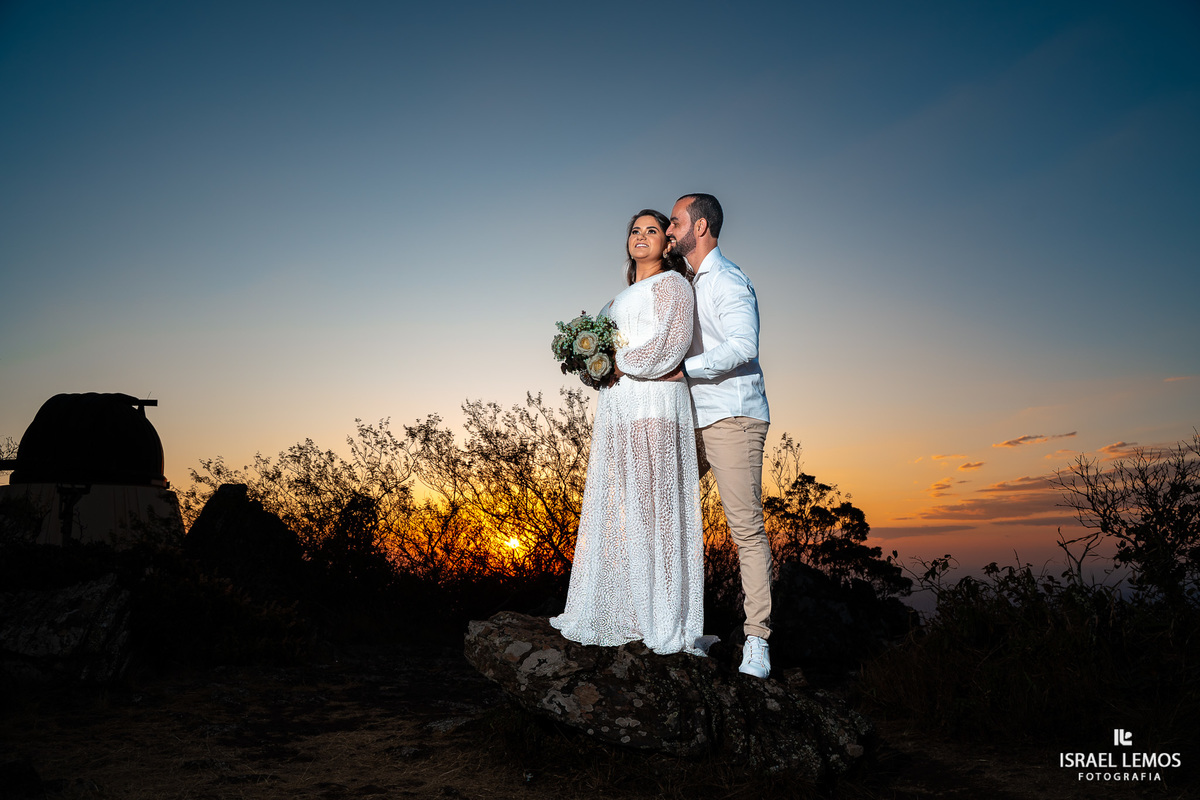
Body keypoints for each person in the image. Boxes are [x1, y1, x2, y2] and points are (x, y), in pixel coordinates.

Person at [550, 209, 706, 656]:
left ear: (667, 243)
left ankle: (666, 617)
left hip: (655, 405)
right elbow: (598, 359)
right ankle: (633, 610)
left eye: (652, 230)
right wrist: (593, 366)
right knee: (630, 509)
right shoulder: (616, 300)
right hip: (619, 409)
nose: (641, 236)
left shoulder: (673, 285)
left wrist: (617, 364)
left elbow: (669, 345)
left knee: (659, 510)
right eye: (635, 231)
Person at [667, 193, 774, 678]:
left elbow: (744, 345)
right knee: (665, 511)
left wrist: (684, 370)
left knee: (745, 528)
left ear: (701, 226)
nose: (669, 230)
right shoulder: (686, 283)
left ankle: (757, 642)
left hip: (733, 416)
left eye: (675, 222)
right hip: (692, 419)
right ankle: (681, 624)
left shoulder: (727, 279)